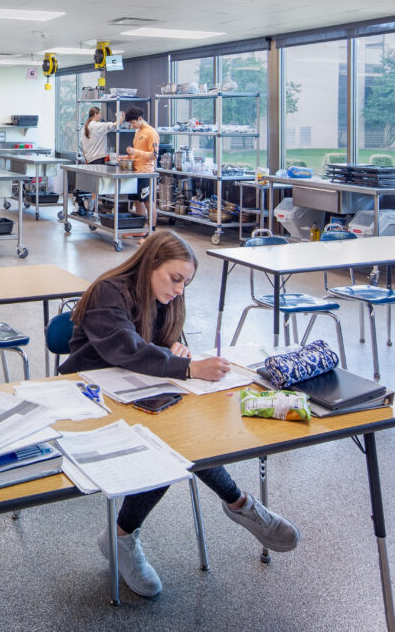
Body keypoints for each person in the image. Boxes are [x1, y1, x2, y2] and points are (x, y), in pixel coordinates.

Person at [58, 230, 300, 598]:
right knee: (168, 448)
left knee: (183, 439)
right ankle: (238, 504)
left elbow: (157, 345)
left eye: (186, 282)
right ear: (150, 263)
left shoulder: (163, 297)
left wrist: (177, 349)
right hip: (90, 399)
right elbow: (128, 349)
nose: (180, 289)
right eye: (175, 278)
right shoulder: (109, 291)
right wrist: (188, 368)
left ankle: (126, 537)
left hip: (140, 393)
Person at [123, 106, 158, 218]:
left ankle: (151, 230)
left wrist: (135, 151)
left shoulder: (151, 133)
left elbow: (154, 156)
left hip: (145, 172)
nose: (132, 126)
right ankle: (139, 228)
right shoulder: (137, 132)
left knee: (147, 201)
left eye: (133, 123)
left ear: (139, 118)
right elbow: (137, 153)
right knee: (137, 201)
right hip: (135, 171)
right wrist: (127, 157)